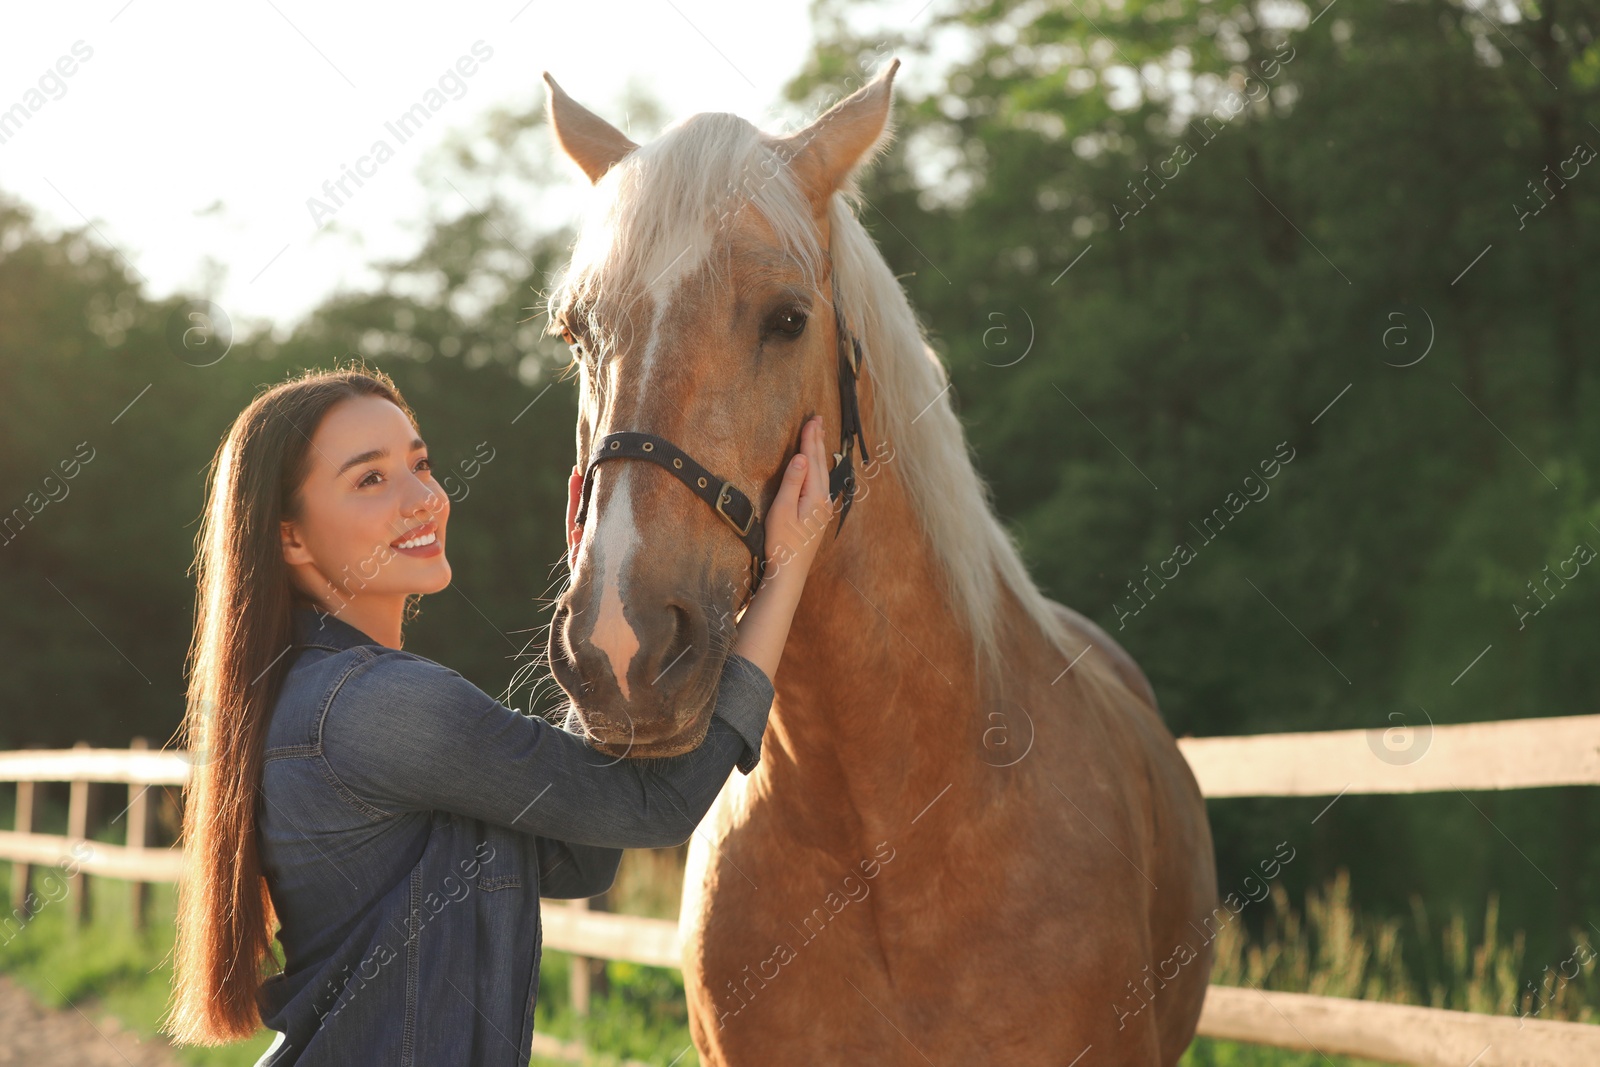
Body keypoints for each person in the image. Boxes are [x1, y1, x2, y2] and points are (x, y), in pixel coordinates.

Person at [160, 365, 831, 1065]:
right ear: (291, 538)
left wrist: (599, 597)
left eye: (420, 465)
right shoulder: (379, 705)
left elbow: (582, 849)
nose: (423, 498)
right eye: (371, 479)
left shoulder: (316, 695)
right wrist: (785, 571)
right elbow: (653, 807)